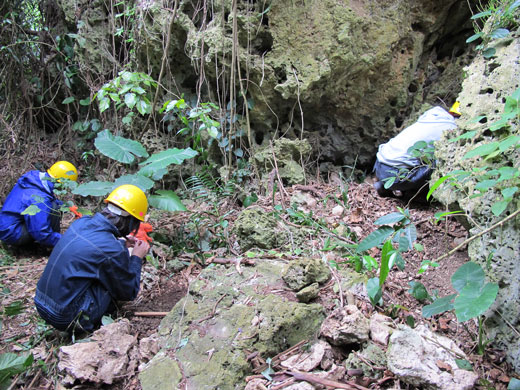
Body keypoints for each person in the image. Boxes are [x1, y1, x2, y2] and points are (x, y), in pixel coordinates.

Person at [34, 184, 151, 333]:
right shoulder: (111, 249)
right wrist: (136, 257)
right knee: (113, 281)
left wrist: (121, 241)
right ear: (131, 221)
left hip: (41, 302)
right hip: (66, 317)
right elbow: (128, 292)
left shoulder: (81, 222)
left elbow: (92, 248)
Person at [373, 102, 461, 198]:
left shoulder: (430, 119)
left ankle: (384, 185)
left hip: (379, 164)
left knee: (415, 158)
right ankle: (417, 196)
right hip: (396, 176)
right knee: (439, 162)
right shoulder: (451, 129)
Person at [0, 161, 78, 247]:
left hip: (7, 227)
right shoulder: (39, 199)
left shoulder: (35, 180)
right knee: (53, 208)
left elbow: (49, 201)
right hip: (12, 233)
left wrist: (68, 207)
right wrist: (66, 242)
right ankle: (49, 247)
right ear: (60, 183)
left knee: (53, 205)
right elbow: (41, 233)